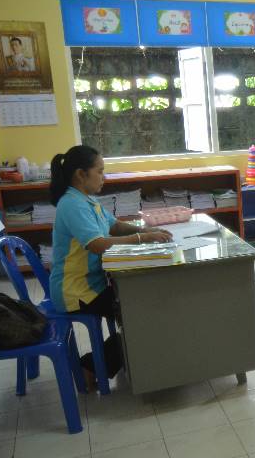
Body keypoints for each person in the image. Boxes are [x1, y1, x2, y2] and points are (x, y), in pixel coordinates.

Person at [49, 145, 172, 384]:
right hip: (77, 292)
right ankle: (89, 368)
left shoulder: (86, 200)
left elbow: (114, 225)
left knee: (143, 309)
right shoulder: (72, 204)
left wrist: (148, 230)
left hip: (93, 285)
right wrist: (142, 238)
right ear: (81, 174)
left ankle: (104, 362)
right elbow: (97, 244)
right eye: (100, 171)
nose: (104, 177)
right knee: (142, 313)